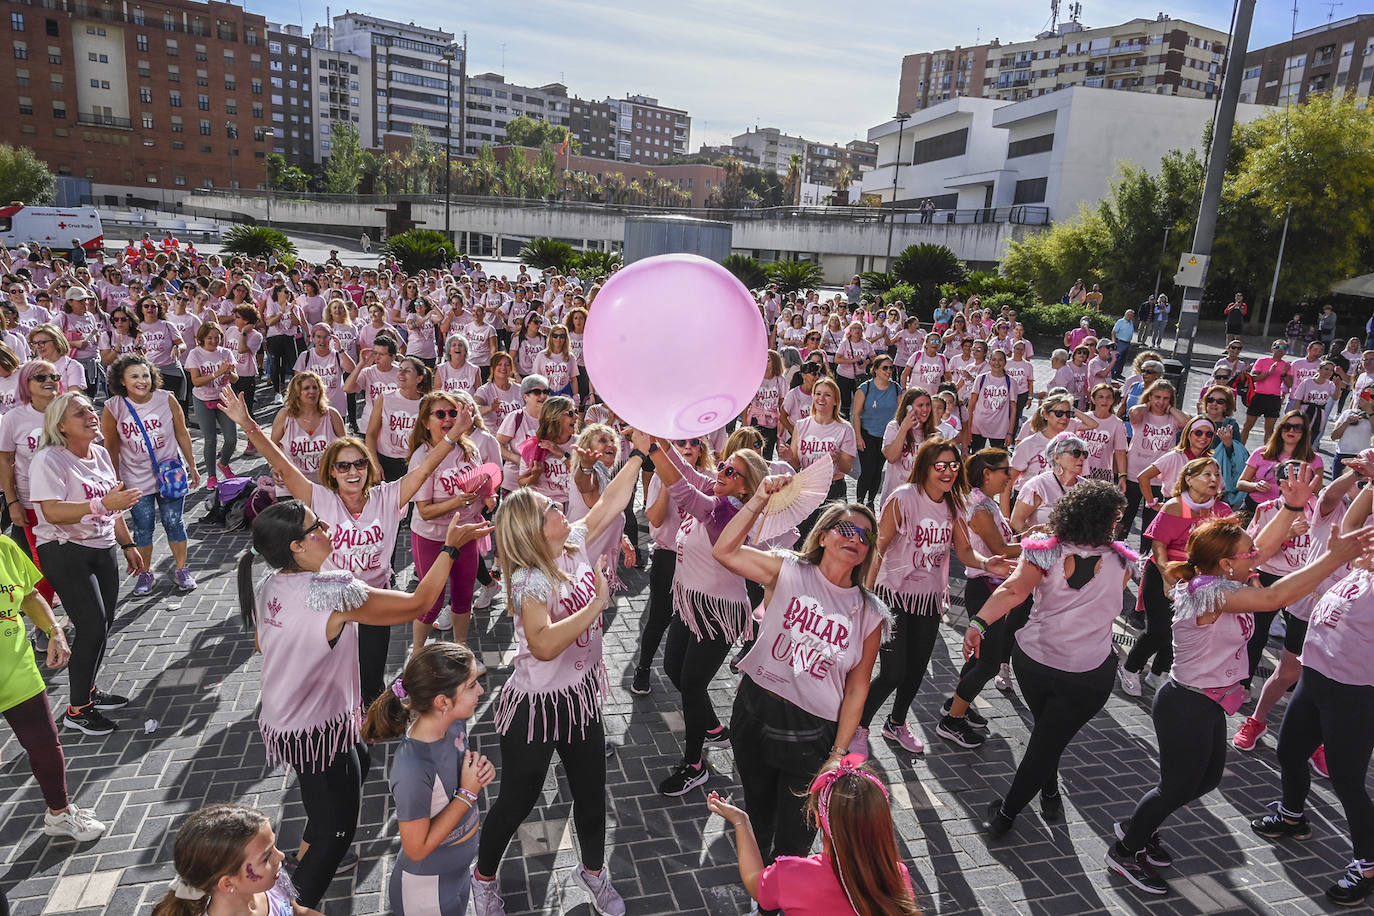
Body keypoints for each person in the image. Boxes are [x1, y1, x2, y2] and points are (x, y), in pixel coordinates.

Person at [1108, 501, 1374, 896]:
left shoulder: (1224, 577)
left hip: (1210, 704)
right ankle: (1126, 849)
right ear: (1227, 564)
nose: (1257, 558)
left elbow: (1260, 550)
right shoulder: (1206, 592)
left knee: (1208, 778)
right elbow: (1273, 598)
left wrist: (1291, 506)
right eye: (1247, 555)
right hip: (1187, 706)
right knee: (1177, 787)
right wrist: (1333, 557)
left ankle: (1141, 826)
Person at [472, 453, 647, 916]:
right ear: (532, 530)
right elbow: (544, 644)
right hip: (536, 708)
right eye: (548, 509)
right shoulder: (531, 581)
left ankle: (592, 873)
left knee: (591, 797)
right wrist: (597, 606)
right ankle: (482, 878)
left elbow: (609, 504)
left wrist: (640, 455)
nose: (558, 509)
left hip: (580, 699)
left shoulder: (571, 542)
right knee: (516, 802)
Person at [219, 386, 467, 708]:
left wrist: (451, 437)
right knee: (332, 679)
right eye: (343, 466)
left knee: (372, 678)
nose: (353, 471)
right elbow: (281, 461)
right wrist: (248, 425)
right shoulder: (319, 498)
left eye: (360, 464)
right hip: (329, 606)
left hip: (375, 598)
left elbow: (423, 470)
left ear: (369, 468)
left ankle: (369, 726)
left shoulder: (388, 496)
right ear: (331, 473)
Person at [710, 489, 889, 880]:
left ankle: (781, 894)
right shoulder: (786, 569)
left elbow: (858, 688)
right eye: (846, 528)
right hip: (755, 712)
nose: (856, 539)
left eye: (865, 536)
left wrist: (838, 752)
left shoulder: (870, 612)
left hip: (811, 736)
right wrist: (758, 498)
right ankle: (762, 888)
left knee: (796, 834)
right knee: (757, 811)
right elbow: (725, 550)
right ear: (823, 535)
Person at [966, 480, 1135, 836]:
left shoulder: (1044, 551)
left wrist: (980, 622)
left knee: (1047, 734)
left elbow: (1013, 591)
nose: (1119, 523)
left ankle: (1048, 789)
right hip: (1087, 674)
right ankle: (1007, 815)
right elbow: (1114, 597)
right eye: (1116, 517)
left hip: (1034, 662)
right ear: (1106, 521)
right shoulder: (1122, 560)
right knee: (1048, 738)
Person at [1249, 506, 1374, 906]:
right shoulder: (1360, 571)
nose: (1361, 541)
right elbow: (1349, 524)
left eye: (1369, 540)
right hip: (1315, 680)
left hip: (1354, 694)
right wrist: (1370, 485)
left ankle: (1367, 865)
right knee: (1289, 752)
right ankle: (1291, 815)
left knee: (1348, 781)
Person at [857, 438, 1011, 755]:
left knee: (915, 670)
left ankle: (896, 723)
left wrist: (986, 562)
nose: (948, 472)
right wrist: (867, 598)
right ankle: (858, 727)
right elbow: (879, 549)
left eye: (954, 465)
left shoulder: (954, 505)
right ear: (925, 467)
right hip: (893, 597)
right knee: (892, 672)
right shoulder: (903, 498)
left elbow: (965, 551)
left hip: (927, 601)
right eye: (940, 465)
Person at [647, 435, 769, 797]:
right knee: (673, 669)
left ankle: (695, 765)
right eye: (723, 464)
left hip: (716, 612)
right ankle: (714, 728)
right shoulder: (719, 494)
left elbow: (682, 491)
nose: (722, 470)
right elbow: (686, 471)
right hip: (690, 603)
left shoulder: (727, 512)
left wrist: (653, 452)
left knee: (692, 685)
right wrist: (658, 441)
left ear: (746, 487)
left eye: (732, 471)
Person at [31, 391, 145, 735]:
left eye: (90, 410)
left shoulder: (98, 453)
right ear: (61, 425)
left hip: (103, 546)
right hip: (65, 550)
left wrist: (127, 543)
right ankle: (77, 709)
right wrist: (98, 505)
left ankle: (89, 690)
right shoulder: (48, 459)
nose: (90, 415)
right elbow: (50, 510)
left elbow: (115, 502)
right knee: (92, 625)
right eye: (80, 413)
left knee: (104, 624)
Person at [361, 643, 494, 916]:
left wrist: (478, 773)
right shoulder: (412, 767)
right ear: (442, 702)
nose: (481, 690)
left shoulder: (453, 723)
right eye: (471, 686)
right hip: (426, 892)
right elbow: (415, 849)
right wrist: (468, 793)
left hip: (457, 876)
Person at [705, 756, 919, 916]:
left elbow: (755, 883)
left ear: (818, 819)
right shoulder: (898, 875)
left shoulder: (791, 874)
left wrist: (741, 821)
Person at [0, 533, 106, 840]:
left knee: (45, 743)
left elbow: (30, 595)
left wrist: (54, 629)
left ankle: (59, 816)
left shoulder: (5, 547)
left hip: (17, 668)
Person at [1118, 457, 1233, 697]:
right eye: (1206, 474)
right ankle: (1129, 668)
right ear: (1189, 479)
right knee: (1158, 629)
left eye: (1217, 474)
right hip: (1163, 571)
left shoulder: (1223, 511)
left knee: (1181, 629)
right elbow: (1159, 547)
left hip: (1198, 579)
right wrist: (1168, 579)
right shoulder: (1174, 506)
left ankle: (1157, 673)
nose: (1213, 479)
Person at [99, 354, 200, 596]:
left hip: (169, 474)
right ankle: (145, 573)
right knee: (143, 528)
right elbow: (110, 446)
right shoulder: (113, 407)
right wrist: (114, 480)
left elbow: (182, 433)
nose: (141, 381)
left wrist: (193, 466)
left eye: (145, 375)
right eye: (134, 376)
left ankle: (182, 569)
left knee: (174, 522)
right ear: (122, 381)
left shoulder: (167, 399)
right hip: (134, 479)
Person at [407, 391, 494, 655]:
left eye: (453, 413)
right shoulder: (422, 457)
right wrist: (457, 502)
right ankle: (418, 653)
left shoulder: (470, 449)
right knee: (430, 601)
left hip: (466, 534)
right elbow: (424, 511)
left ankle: (461, 652)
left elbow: (481, 484)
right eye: (440, 414)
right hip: (431, 537)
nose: (448, 418)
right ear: (426, 421)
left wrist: (488, 496)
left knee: (463, 595)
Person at [630, 434, 714, 696]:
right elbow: (653, 519)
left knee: (693, 618)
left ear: (702, 450)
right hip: (668, 556)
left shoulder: (709, 480)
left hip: (698, 559)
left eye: (694, 443)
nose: (688, 447)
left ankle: (686, 675)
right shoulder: (659, 475)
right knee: (659, 616)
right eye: (681, 443)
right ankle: (643, 669)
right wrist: (671, 482)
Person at [152, 804, 322, 916]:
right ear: (227, 884)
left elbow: (298, 911)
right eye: (266, 857)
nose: (281, 856)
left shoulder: (270, 884)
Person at [779, 378, 856, 542]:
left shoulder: (845, 429)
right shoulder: (801, 425)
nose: (821, 398)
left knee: (830, 540)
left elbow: (848, 468)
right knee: (802, 539)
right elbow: (796, 464)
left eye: (827, 395)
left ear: (835, 401)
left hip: (832, 489)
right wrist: (788, 458)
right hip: (806, 487)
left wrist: (838, 459)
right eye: (818, 394)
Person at [269, 370, 345, 498]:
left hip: (326, 485)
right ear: (297, 392)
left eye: (315, 387)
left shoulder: (332, 415)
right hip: (291, 484)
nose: (312, 391)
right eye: (306, 388)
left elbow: (345, 448)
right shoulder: (284, 416)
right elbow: (272, 447)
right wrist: (273, 467)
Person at [183, 322, 239, 490]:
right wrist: (217, 373)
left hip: (224, 397)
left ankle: (224, 463)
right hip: (203, 399)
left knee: (231, 438)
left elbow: (235, 378)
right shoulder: (195, 354)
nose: (214, 341)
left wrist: (228, 372)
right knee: (211, 439)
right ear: (202, 339)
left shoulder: (226, 353)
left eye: (217, 337)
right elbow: (196, 381)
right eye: (210, 338)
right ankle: (212, 476)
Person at [366, 356, 431, 482]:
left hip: (414, 462)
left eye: (407, 371)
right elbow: (370, 433)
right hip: (385, 462)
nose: (401, 373)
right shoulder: (385, 397)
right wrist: (374, 463)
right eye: (400, 369)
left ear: (419, 378)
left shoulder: (427, 403)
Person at [850, 354, 899, 508]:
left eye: (891, 368)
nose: (889, 371)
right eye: (885, 368)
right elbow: (856, 414)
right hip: (867, 433)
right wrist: (858, 437)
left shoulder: (897, 389)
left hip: (886, 436)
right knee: (868, 469)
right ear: (875, 370)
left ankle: (871, 502)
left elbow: (902, 412)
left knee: (878, 469)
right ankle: (859, 502)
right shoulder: (865, 388)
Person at [1241, 341, 1292, 446]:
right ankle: (1238, 451)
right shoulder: (1262, 361)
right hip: (1258, 396)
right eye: (1277, 346)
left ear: (1286, 351)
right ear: (1272, 348)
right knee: (1247, 426)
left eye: (1284, 347)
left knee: (1269, 430)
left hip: (1274, 399)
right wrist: (1268, 373)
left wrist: (1284, 374)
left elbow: (1290, 384)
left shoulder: (1286, 365)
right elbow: (1253, 378)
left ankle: (1267, 454)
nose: (1280, 349)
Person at [1112, 310, 1136, 378]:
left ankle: (1118, 373)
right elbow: (1114, 332)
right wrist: (1114, 342)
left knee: (1123, 359)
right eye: (1128, 315)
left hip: (1127, 343)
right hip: (1120, 342)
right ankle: (1113, 373)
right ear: (1125, 314)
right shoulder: (1120, 322)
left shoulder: (1131, 322)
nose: (1129, 316)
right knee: (1117, 358)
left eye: (1131, 315)